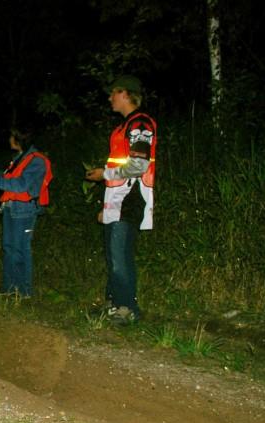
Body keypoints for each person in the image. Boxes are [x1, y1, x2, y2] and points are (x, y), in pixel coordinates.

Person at [84, 75, 157, 324]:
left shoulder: (140, 124)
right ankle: (114, 304)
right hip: (117, 199)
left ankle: (128, 309)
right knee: (113, 254)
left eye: (113, 92)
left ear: (126, 93)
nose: (109, 98)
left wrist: (103, 174)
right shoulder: (123, 127)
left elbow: (138, 165)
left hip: (131, 199)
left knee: (119, 255)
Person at [0, 128, 52, 298]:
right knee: (9, 248)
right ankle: (9, 288)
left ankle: (24, 291)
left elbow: (21, 185)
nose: (9, 138)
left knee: (21, 249)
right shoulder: (19, 159)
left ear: (19, 138)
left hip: (24, 210)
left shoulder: (37, 161)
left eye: (11, 135)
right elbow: (5, 180)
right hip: (10, 208)